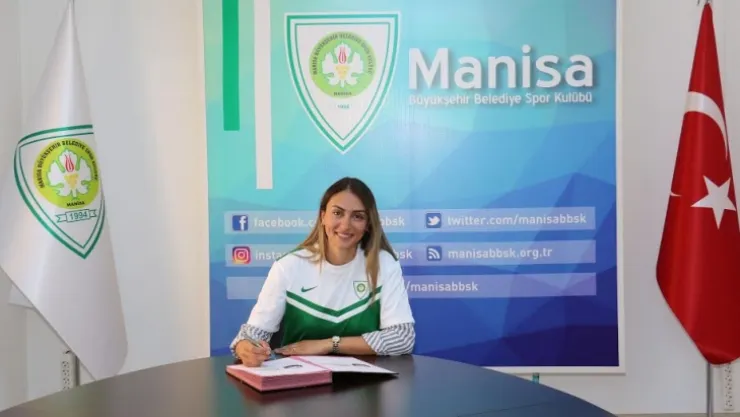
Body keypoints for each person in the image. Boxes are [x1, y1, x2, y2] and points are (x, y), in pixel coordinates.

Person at [231, 177, 416, 367]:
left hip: (367, 380)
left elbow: (402, 338)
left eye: (357, 216)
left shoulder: (384, 263)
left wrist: (328, 345)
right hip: (298, 378)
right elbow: (251, 335)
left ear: (368, 223)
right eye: (337, 213)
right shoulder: (288, 266)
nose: (346, 225)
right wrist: (246, 347)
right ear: (323, 216)